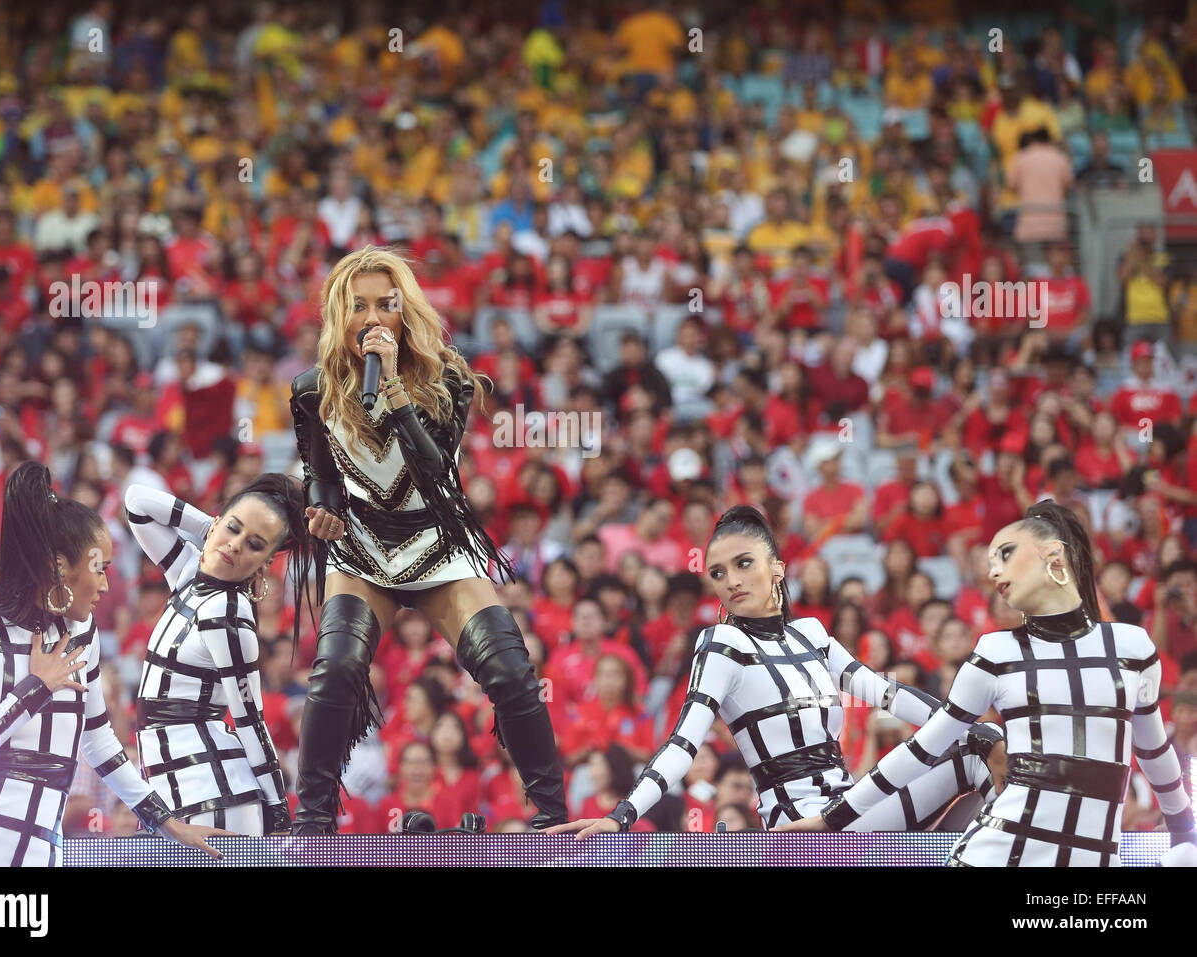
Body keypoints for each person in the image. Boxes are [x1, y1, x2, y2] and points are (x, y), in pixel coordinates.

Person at [288, 245, 567, 833]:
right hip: (363, 550)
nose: (371, 319)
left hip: (439, 544)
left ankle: (551, 817)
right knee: (335, 668)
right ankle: (312, 822)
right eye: (357, 306)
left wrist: (392, 390)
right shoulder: (312, 389)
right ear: (339, 313)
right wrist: (322, 511)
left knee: (512, 671)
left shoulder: (450, 380)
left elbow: (435, 473)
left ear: (405, 310)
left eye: (385, 305)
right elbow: (320, 474)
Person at [547, 505, 1002, 837]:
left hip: (854, 804)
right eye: (719, 573)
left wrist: (980, 729)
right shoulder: (722, 644)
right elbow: (683, 744)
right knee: (977, 753)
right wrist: (622, 814)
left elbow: (888, 694)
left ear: (778, 569)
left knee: (988, 754)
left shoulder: (813, 634)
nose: (732, 581)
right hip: (800, 827)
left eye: (744, 564)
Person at [786, 500, 1197, 867]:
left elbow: (1154, 749)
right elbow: (924, 748)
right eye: (990, 561)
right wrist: (830, 819)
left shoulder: (1133, 646)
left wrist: (1184, 830)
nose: (993, 571)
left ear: (1054, 556)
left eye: (1006, 554)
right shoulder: (996, 651)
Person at [0, 461, 227, 866]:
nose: (107, 584)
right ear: (59, 566)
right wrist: (37, 687)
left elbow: (99, 740)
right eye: (99, 569)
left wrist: (165, 821)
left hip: (38, 857)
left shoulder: (80, 635)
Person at [126, 473, 316, 836]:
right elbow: (137, 503)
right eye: (234, 528)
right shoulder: (187, 574)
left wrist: (278, 810)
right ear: (214, 525)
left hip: (211, 795)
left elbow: (250, 719)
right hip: (180, 790)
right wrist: (211, 529)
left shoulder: (226, 610)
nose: (236, 546)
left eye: (255, 544)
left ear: (264, 564)